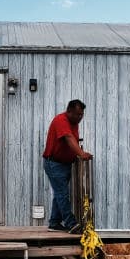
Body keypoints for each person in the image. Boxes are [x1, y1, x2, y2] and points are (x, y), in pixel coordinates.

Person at [42, 99, 93, 232]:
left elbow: (73, 140)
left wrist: (77, 153)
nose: (79, 117)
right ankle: (71, 223)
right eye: (77, 114)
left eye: (81, 114)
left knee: (60, 194)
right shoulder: (61, 120)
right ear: (68, 111)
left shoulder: (74, 123)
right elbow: (69, 138)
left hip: (64, 164)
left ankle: (54, 222)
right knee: (62, 194)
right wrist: (81, 154)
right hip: (54, 163)